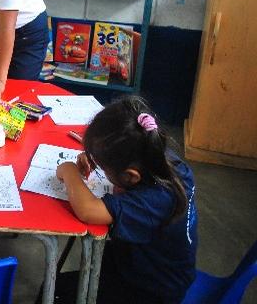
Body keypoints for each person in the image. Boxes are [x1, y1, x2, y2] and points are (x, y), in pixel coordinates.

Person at [51, 96, 197, 304]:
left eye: (103, 167)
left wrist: (69, 170)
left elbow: (88, 210)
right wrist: (97, 156)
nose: (99, 168)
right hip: (143, 261)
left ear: (131, 176)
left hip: (152, 290)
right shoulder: (158, 157)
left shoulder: (153, 201)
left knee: (58, 290)